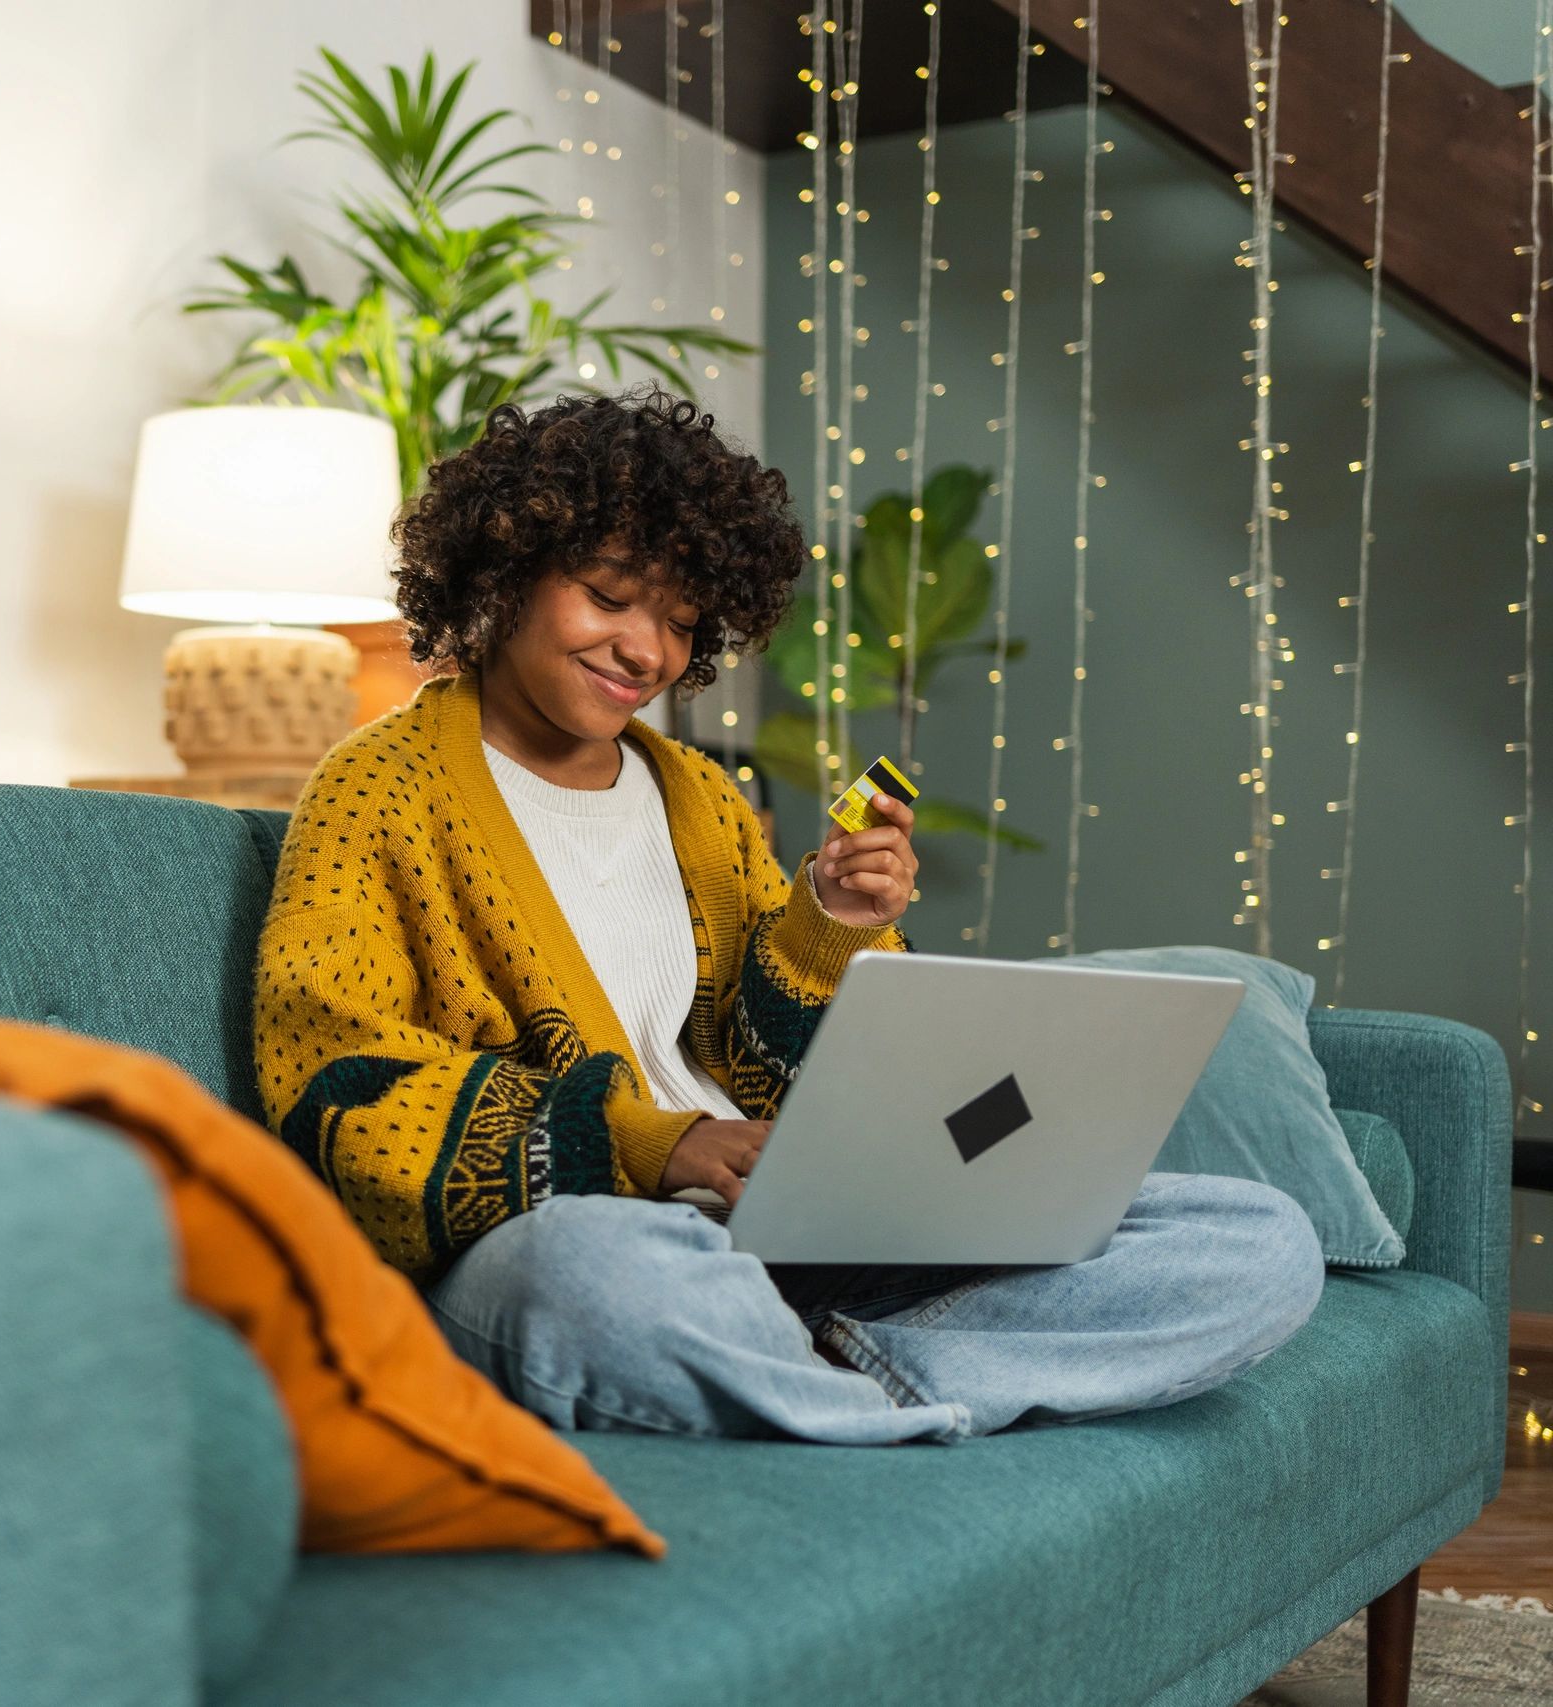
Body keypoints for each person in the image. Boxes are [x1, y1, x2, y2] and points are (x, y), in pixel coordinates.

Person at [251, 384, 1324, 1444]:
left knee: (1254, 1237)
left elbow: (785, 1077)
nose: (647, 653)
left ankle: (851, 1385)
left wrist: (828, 923)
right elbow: (339, 1085)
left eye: (679, 622)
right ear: (505, 569)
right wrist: (648, 1143)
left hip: (782, 1239)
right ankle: (879, 1381)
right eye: (609, 596)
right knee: (585, 1275)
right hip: (581, 1236)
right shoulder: (379, 787)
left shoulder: (703, 800)